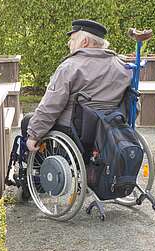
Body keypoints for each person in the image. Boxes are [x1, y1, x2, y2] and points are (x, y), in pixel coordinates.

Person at [23, 19, 132, 152]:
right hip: (111, 129)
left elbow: (50, 105)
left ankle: (39, 168)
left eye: (73, 39)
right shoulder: (123, 67)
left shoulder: (70, 67)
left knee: (28, 121)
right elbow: (132, 104)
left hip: (76, 133)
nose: (69, 43)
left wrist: (34, 134)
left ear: (84, 42)